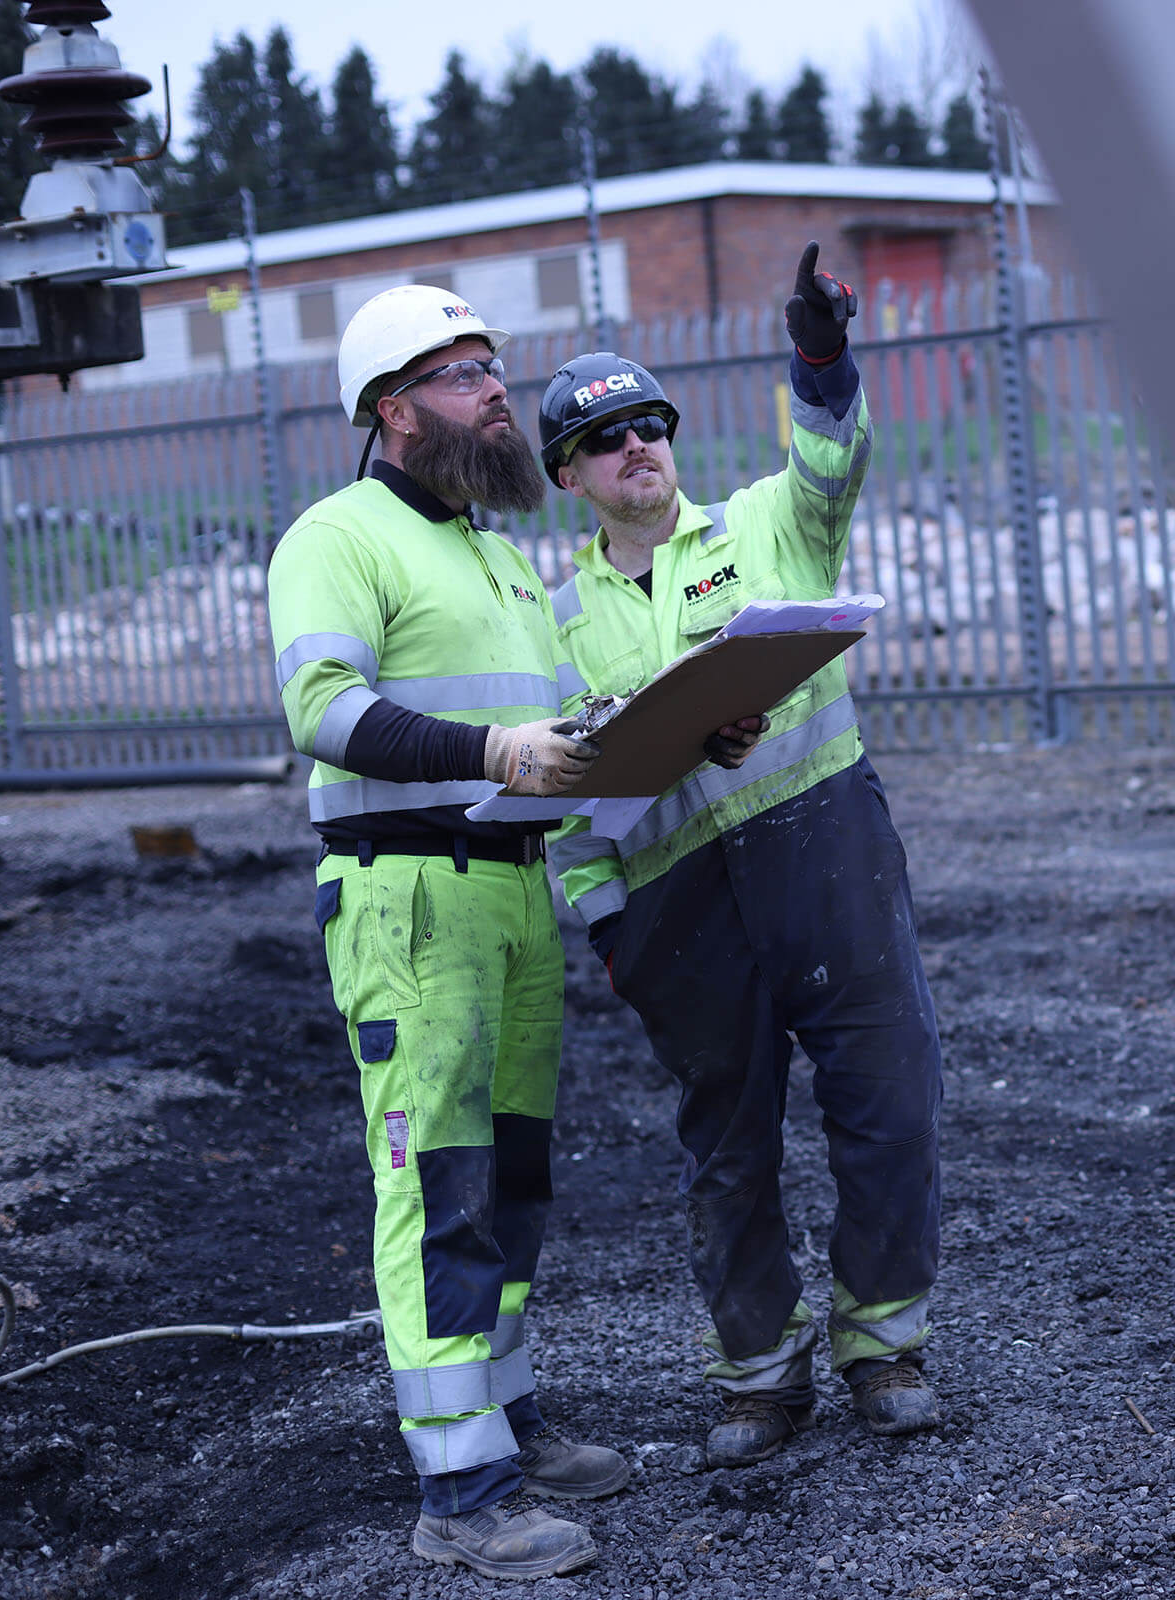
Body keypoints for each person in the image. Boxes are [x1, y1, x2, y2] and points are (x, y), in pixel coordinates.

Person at [539, 244, 944, 1467]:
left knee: (889, 1102)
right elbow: (565, 802)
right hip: (680, 910)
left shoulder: (768, 524)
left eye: (650, 426)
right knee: (728, 1148)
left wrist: (820, 358)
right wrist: (609, 927)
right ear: (570, 474)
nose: (636, 450)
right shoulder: (550, 622)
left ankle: (884, 1345)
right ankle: (759, 1378)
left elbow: (836, 459)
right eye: (607, 441)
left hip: (826, 853)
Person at [266, 283, 627, 1581]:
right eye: (464, 371)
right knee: (440, 1186)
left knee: (512, 1179)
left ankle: (508, 1421)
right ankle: (460, 1494)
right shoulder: (339, 536)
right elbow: (322, 707)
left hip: (509, 896)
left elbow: (543, 738)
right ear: (392, 407)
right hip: (408, 898)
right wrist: (496, 748)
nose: (494, 390)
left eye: (491, 365)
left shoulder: (492, 550)